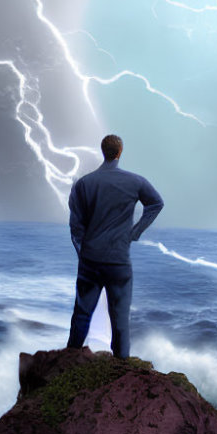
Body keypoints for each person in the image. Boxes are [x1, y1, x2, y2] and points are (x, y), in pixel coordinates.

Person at [67, 134, 164, 357]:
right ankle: (121, 372)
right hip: (118, 262)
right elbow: (156, 204)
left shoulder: (84, 184)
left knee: (82, 314)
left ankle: (68, 363)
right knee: (120, 320)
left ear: (103, 152)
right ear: (119, 152)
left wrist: (83, 254)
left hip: (90, 261)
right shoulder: (135, 181)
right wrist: (135, 232)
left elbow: (75, 228)